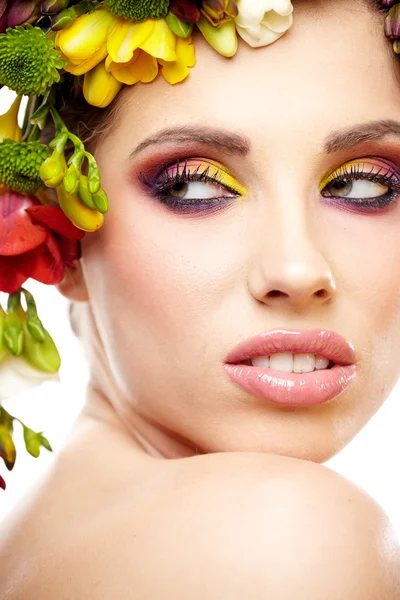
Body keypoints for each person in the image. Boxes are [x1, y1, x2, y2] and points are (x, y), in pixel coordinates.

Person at [0, 0, 400, 597]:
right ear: (60, 232)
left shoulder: (43, 536)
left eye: (362, 184)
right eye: (192, 186)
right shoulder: (278, 533)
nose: (296, 270)